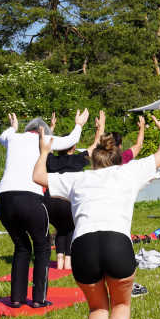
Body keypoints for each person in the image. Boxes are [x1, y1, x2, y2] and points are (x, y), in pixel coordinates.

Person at [33, 103, 160, 319]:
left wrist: (45, 152)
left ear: (93, 160)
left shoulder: (79, 178)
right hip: (116, 243)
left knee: (98, 308)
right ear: (115, 158)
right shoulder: (129, 171)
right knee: (121, 306)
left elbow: (38, 177)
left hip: (83, 247)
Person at [0, 111, 87, 308]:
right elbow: (70, 140)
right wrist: (79, 124)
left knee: (21, 247)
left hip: (4, 199)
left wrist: (13, 127)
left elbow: (2, 136)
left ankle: (16, 298)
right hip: (29, 197)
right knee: (43, 247)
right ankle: (38, 299)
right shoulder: (44, 139)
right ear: (41, 132)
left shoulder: (13, 138)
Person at [44, 110, 104, 271]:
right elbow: (95, 147)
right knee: (71, 227)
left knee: (60, 228)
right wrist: (100, 129)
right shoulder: (78, 160)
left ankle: (59, 260)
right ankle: (68, 262)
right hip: (68, 201)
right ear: (74, 146)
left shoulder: (51, 160)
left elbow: (47, 146)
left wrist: (51, 128)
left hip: (50, 203)